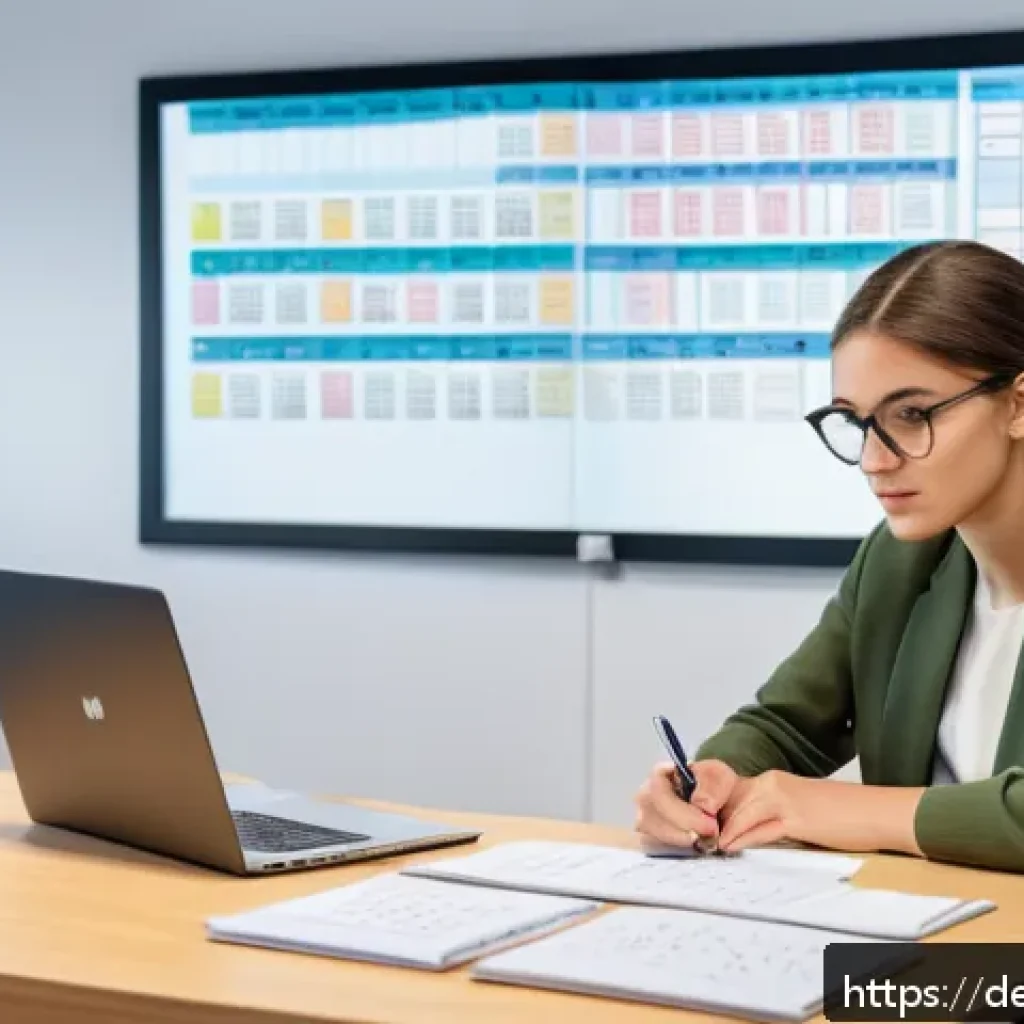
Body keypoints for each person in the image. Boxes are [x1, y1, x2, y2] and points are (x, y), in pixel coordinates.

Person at [634, 239, 1024, 873]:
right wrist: (708, 786)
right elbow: (786, 726)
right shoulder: (902, 563)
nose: (875, 460)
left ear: (1017, 403)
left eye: (914, 414)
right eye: (857, 422)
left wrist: (838, 809)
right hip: (933, 938)